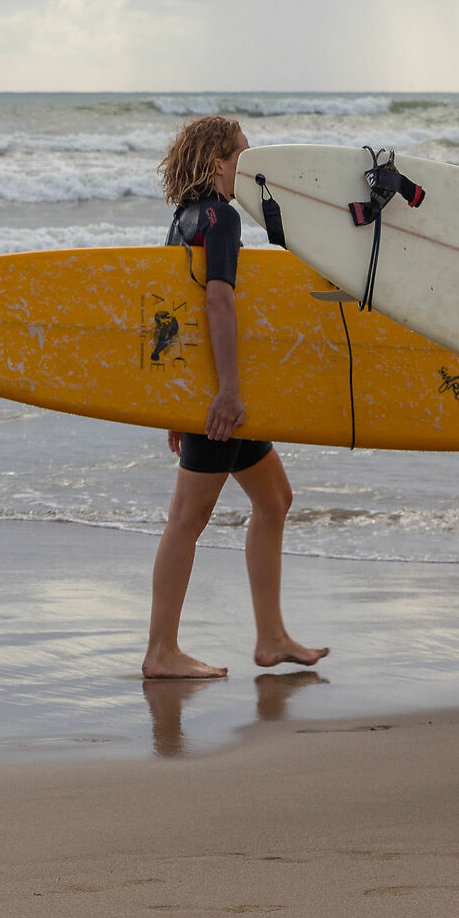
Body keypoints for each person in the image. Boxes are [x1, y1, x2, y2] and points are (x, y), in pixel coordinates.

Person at [140, 115, 327, 680]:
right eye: (242, 155)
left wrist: (173, 403)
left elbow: (171, 315)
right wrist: (227, 392)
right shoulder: (221, 219)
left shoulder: (184, 219)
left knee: (275, 500)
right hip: (220, 398)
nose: (250, 164)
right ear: (217, 162)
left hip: (203, 391)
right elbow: (217, 303)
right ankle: (161, 651)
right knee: (187, 519)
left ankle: (272, 638)